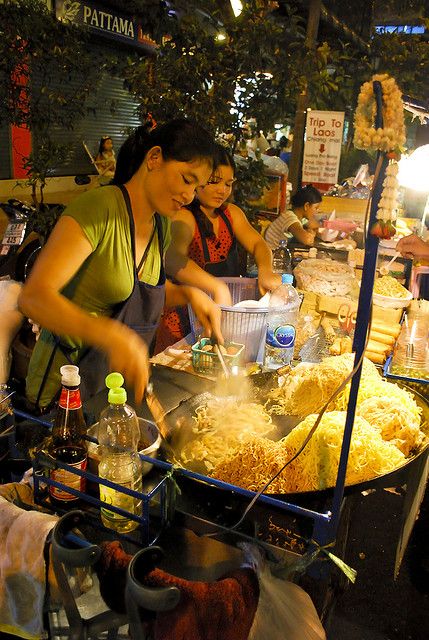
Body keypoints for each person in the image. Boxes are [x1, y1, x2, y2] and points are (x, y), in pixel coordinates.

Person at [18, 119, 222, 411]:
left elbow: (137, 296)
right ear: (154, 158)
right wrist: (110, 336)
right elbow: (33, 298)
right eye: (187, 180)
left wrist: (189, 295)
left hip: (114, 392)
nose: (190, 196)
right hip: (64, 392)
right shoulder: (99, 208)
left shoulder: (160, 225)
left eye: (197, 187)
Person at [155, 144, 281, 351]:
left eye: (228, 183)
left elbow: (259, 243)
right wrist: (217, 287)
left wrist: (265, 269)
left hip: (225, 317)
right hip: (185, 323)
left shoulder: (231, 214)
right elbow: (173, 258)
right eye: (214, 182)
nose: (222, 190)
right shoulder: (185, 216)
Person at [264, 184, 322, 249]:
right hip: (271, 254)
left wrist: (311, 231)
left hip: (281, 252)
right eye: (316, 208)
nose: (317, 211)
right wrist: (310, 233)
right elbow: (307, 240)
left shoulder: (301, 217)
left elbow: (316, 226)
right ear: (306, 206)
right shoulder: (289, 217)